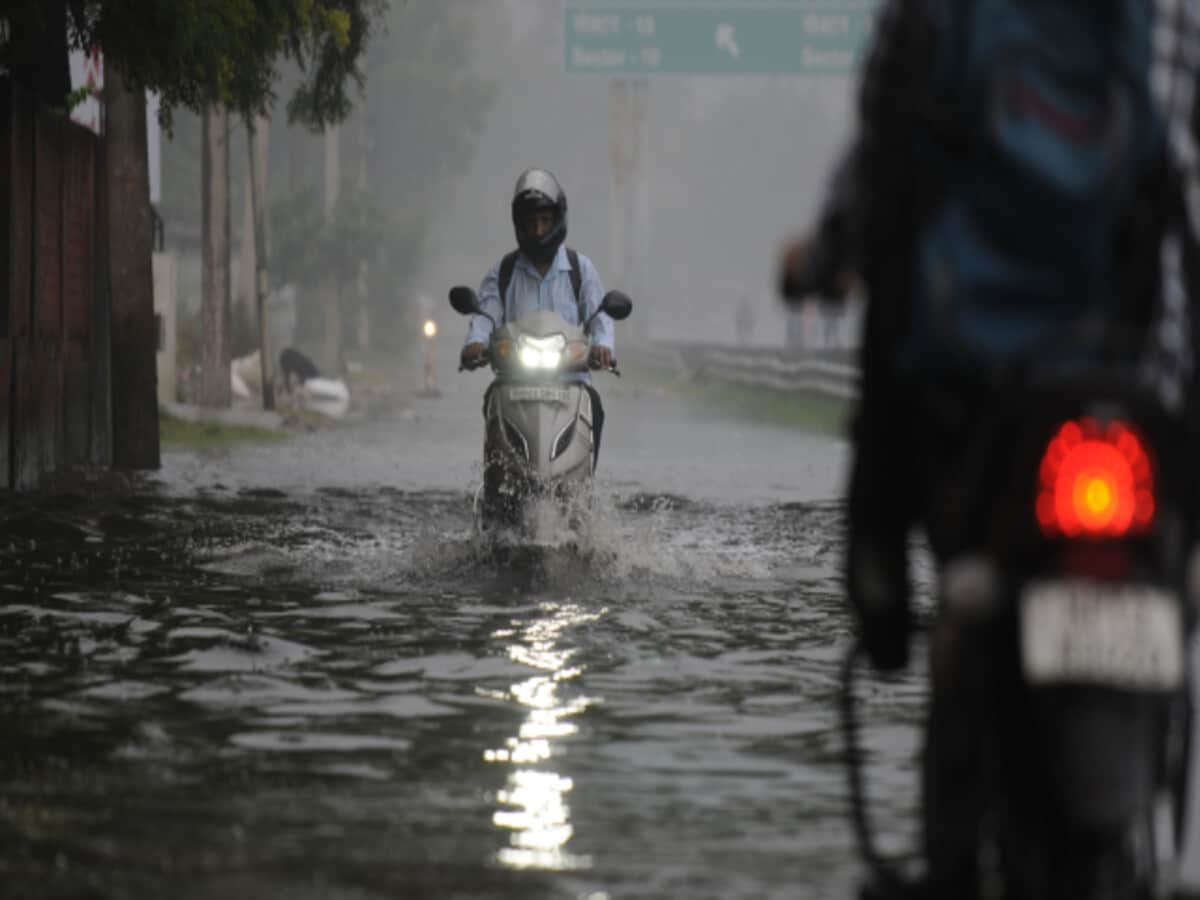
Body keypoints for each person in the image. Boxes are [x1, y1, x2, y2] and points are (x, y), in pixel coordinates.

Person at [780, 0, 1196, 893]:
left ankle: (884, 593)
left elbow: (882, 188)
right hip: (1145, 396)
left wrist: (820, 258)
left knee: (950, 582)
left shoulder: (929, 17)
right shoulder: (1173, 21)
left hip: (980, 393)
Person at [461, 167, 615, 460]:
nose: (539, 230)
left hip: (571, 381)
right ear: (519, 225)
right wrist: (476, 342)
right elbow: (485, 314)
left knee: (594, 405)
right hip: (515, 382)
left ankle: (585, 479)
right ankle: (495, 489)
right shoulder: (503, 272)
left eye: (545, 221)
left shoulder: (580, 270)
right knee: (491, 399)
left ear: (558, 220)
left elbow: (599, 316)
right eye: (531, 222)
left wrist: (604, 346)